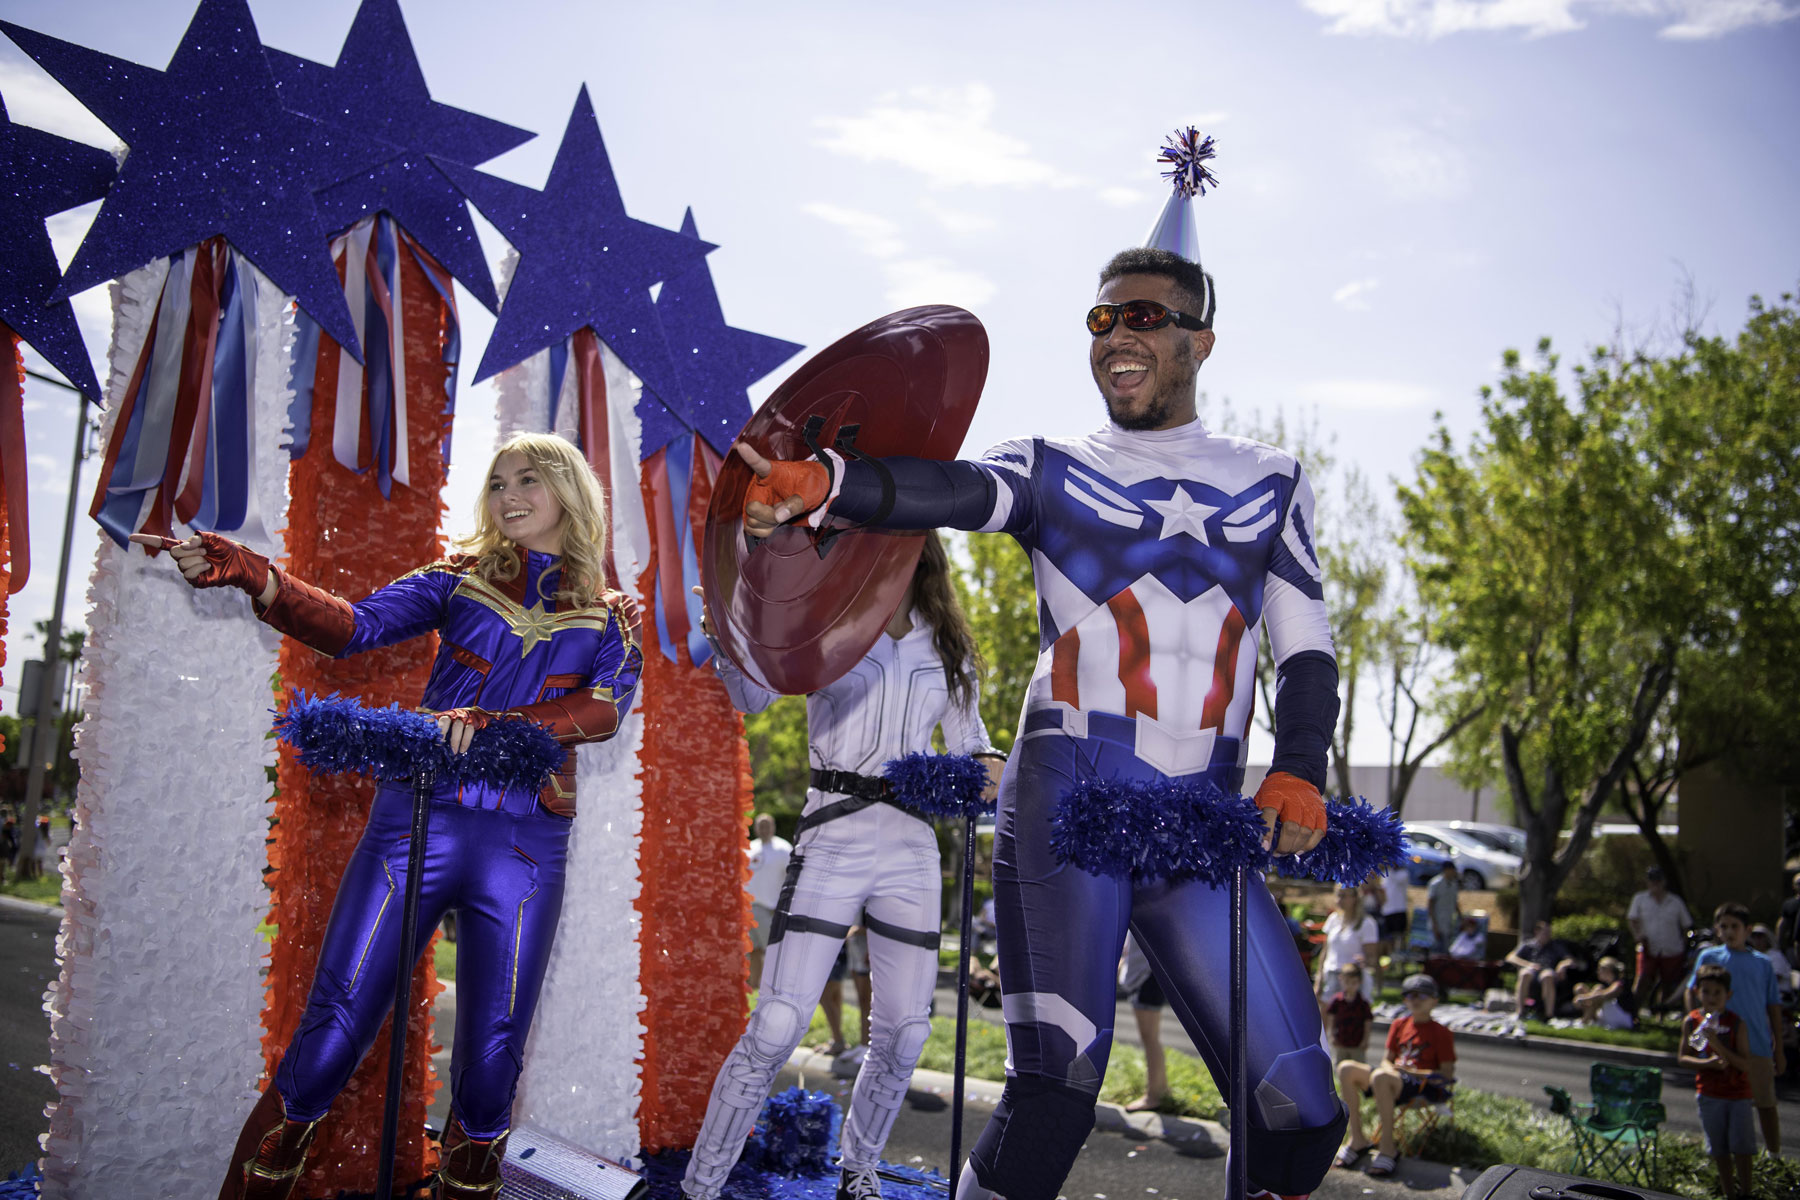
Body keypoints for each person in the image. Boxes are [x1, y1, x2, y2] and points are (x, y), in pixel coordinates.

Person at [736, 244, 1348, 1200]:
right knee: (1056, 1092)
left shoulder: (1274, 478)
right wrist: (831, 483)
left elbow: (1306, 645)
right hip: (1070, 791)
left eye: (1144, 316)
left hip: (1202, 817)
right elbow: (956, 489)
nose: (1116, 336)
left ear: (1202, 340)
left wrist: (1299, 764)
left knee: (1302, 1110)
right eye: (1102, 320)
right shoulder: (1055, 466)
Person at [137, 433, 644, 1200]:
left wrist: (497, 724)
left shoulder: (616, 612)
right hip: (419, 820)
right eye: (498, 481)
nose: (508, 494)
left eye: (528, 480)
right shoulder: (456, 574)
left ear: (570, 492)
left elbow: (603, 710)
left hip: (526, 844)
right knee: (334, 1023)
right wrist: (255, 576)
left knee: (492, 1058)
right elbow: (353, 627)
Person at [683, 532, 1003, 1200]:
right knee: (775, 1023)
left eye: (905, 541)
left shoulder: (950, 649)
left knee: (907, 1031)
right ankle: (701, 1183)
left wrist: (986, 767)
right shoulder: (827, 625)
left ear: (924, 552)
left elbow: (972, 744)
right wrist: (729, 633)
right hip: (831, 833)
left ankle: (858, 1169)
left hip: (913, 846)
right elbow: (751, 698)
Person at [1687, 902, 1785, 1155]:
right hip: (1718, 1045)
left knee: (1765, 1103)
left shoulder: (1762, 963)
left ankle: (1774, 1156)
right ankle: (1720, 1157)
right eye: (1724, 926)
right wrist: (1693, 1022)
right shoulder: (1709, 957)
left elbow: (1773, 1006)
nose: (1729, 931)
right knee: (1719, 1104)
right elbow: (1692, 991)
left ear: (1747, 930)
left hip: (1756, 1044)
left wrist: (1780, 1047)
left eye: (1735, 926)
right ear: (1717, 930)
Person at [1334, 974, 1454, 1178]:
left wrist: (1407, 1072)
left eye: (1422, 996)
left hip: (1423, 1085)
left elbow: (1446, 1074)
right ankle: (1357, 1139)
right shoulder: (1399, 1024)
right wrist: (1390, 1070)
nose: (1415, 1000)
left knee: (1381, 1076)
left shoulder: (1441, 1032)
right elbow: (1386, 1060)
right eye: (1410, 995)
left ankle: (1388, 1148)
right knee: (1346, 1068)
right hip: (1392, 1078)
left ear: (1434, 1000)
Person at [1679, 964, 1755, 1199]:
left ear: (1728, 995)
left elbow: (1744, 1063)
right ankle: (1728, 1192)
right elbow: (1683, 1058)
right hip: (1709, 1093)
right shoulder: (1692, 1022)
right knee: (1719, 1148)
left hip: (1738, 1093)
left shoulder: (1736, 1023)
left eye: (1717, 993)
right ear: (1697, 993)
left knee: (1741, 1147)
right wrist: (1708, 1064)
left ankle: (1746, 1191)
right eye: (1706, 992)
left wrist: (1719, 1046)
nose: (1711, 998)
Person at [1627, 866, 1692, 1012]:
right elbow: (1632, 920)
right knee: (1643, 979)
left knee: (1667, 982)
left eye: (1658, 881)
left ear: (1663, 882)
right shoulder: (1640, 899)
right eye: (1652, 881)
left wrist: (1683, 943)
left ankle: (1661, 1011)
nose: (1655, 884)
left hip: (1672, 948)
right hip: (1649, 947)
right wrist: (1638, 936)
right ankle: (1632, 1011)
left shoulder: (1675, 901)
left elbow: (1686, 925)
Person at [1118, 933, 1169, 1112]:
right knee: (1151, 1038)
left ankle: (1153, 1096)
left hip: (1146, 977)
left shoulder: (1145, 906)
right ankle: (1161, 1089)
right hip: (1148, 976)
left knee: (1150, 1039)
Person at [745, 813, 792, 991]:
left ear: (773, 826)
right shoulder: (749, 847)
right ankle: (754, 989)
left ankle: (775, 989)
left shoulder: (783, 849)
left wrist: (783, 906)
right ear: (756, 828)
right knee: (752, 951)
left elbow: (791, 879)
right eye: (760, 825)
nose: (764, 829)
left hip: (769, 909)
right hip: (749, 909)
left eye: (767, 825)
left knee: (772, 953)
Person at [1317, 885, 1380, 1001]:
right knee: (1326, 1014)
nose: (1339, 900)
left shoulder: (1366, 923)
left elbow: (1372, 957)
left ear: (1355, 898)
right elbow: (1325, 951)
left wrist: (1365, 961)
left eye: (1344, 896)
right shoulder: (1333, 919)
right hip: (1331, 974)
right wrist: (1319, 979)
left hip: (1352, 980)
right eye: (1338, 895)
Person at [1506, 920, 1577, 1019]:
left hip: (1548, 972)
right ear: (1537, 932)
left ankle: (1549, 1015)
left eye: (1549, 932)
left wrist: (1562, 965)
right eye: (1546, 932)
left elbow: (1570, 960)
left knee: (1547, 975)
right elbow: (1510, 957)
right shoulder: (1528, 944)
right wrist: (1528, 964)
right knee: (1524, 974)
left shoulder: (1555, 946)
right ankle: (1520, 1012)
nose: (1548, 935)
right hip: (1532, 971)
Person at [1323, 964, 1373, 1068]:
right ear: (1341, 980)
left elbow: (1367, 1022)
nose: (1350, 986)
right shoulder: (1337, 1000)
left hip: (1357, 1043)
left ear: (1359, 982)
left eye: (1353, 983)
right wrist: (1331, 1035)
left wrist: (1365, 1040)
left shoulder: (1363, 1003)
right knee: (1339, 1066)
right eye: (1347, 982)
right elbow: (1331, 1018)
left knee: (1359, 1068)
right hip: (1340, 1040)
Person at [1572, 957, 1634, 1030]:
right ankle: (1590, 1019)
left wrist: (1583, 998)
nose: (1598, 971)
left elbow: (1605, 995)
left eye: (1600, 969)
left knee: (1599, 992)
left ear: (1607, 970)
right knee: (1589, 988)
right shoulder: (1608, 984)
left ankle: (1584, 1022)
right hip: (1613, 1016)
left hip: (1624, 1020)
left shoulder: (1619, 984)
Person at [1748, 924, 1794, 1002]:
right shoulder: (1752, 957)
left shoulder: (1775, 956)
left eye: (1760, 937)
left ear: (1767, 939)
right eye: (1754, 937)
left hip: (1780, 994)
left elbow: (1775, 978)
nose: (1757, 940)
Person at [1426, 861, 1461, 952]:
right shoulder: (1435, 884)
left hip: (1448, 923)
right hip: (1437, 923)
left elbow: (1455, 902)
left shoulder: (1454, 884)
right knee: (1435, 951)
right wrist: (1435, 926)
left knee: (1445, 952)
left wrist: (1461, 917)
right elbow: (1430, 905)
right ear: (1446, 870)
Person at [1777, 873, 1800, 964]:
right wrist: (1780, 943)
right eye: (1798, 883)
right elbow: (1782, 924)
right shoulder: (1789, 904)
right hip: (1792, 944)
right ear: (1793, 886)